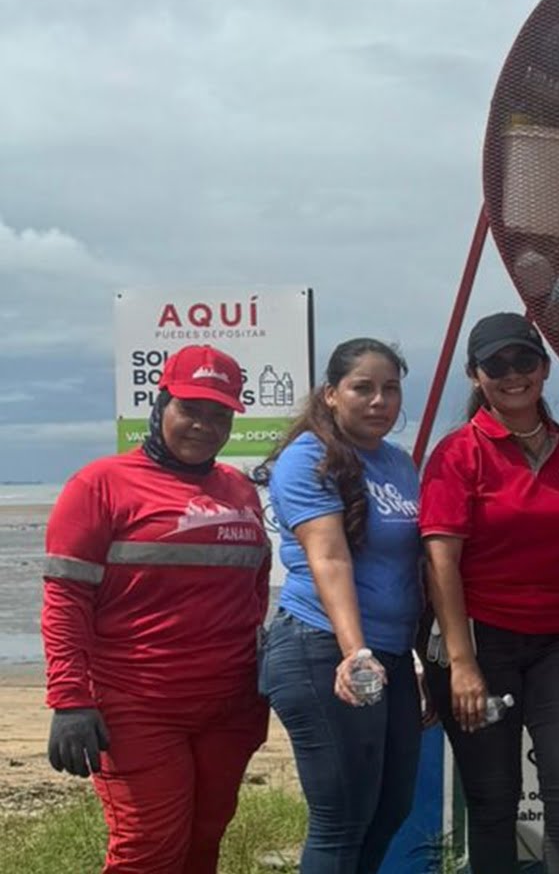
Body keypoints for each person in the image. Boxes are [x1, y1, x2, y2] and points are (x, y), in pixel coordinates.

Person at [41, 346, 271, 873]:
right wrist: (70, 700)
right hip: (137, 704)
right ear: (161, 403)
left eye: (219, 414)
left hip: (231, 704)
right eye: (190, 409)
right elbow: (66, 599)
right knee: (148, 849)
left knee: (204, 840)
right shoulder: (99, 485)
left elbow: (255, 585)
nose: (204, 426)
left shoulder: (239, 489)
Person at [418, 313, 559, 874]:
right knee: (494, 799)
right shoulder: (457, 453)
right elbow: (440, 564)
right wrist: (462, 664)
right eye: (495, 365)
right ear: (475, 376)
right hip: (483, 642)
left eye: (524, 360)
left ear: (544, 368)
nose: (512, 374)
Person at [258, 337, 424, 874]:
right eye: (362, 388)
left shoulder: (398, 464)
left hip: (390, 655)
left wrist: (427, 656)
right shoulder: (307, 458)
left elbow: (415, 565)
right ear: (331, 394)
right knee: (342, 820)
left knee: (390, 809)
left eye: (391, 389)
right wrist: (356, 654)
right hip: (321, 648)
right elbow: (328, 558)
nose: (379, 401)